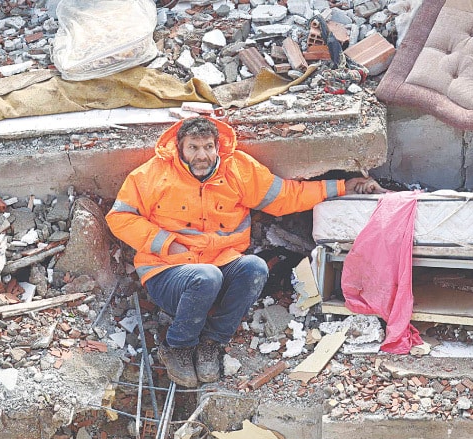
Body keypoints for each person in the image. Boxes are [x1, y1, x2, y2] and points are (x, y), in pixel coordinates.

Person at [106, 116, 385, 387]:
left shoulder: (237, 169)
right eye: (193, 147)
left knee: (254, 268)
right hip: (168, 271)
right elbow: (119, 218)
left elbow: (286, 196)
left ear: (217, 147)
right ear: (180, 148)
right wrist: (167, 243)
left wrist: (342, 187)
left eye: (207, 147)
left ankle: (212, 343)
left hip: (221, 265)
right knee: (206, 277)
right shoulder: (152, 174)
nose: (201, 155)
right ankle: (177, 346)